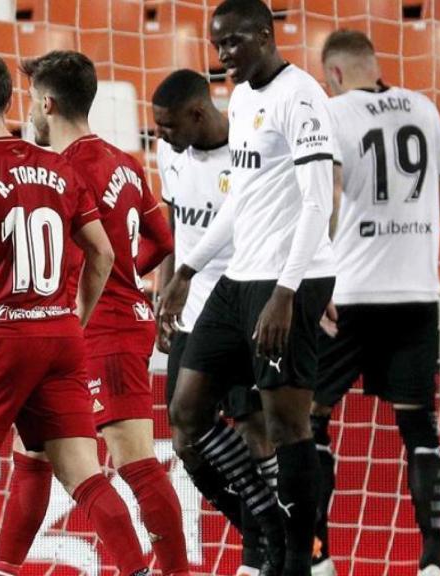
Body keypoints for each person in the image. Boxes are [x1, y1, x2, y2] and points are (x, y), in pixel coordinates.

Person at [0, 51, 148, 576]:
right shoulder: (57, 166)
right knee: (84, 475)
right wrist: (74, 322)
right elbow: (103, 253)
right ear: (11, 101)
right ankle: (139, 570)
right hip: (59, 335)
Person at [157, 0, 338, 574]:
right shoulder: (239, 98)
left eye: (234, 42)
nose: (224, 55)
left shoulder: (301, 95)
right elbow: (241, 199)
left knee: (286, 425)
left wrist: (287, 291)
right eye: (217, 45)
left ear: (265, 35)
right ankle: (264, 524)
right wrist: (188, 268)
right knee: (187, 413)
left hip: (289, 279)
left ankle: (298, 560)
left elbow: (317, 200)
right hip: (238, 280)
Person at [0, 50, 186, 576]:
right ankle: (2, 568)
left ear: (47, 103)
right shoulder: (125, 162)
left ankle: (169, 572)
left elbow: (71, 260)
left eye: (31, 100)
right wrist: (128, 272)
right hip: (98, 325)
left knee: (134, 461)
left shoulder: (60, 172)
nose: (28, 111)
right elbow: (162, 241)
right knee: (33, 454)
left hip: (101, 329)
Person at [310, 30, 440, 576]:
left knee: (312, 419)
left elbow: (328, 197)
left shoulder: (335, 112)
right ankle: (434, 562)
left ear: (337, 74)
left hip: (349, 295)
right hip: (416, 293)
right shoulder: (425, 108)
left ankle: (320, 557)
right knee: (420, 428)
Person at [152, 68, 273, 576]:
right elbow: (175, 222)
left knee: (254, 431)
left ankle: (256, 557)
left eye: (169, 127)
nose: (162, 138)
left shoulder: (248, 154)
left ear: (198, 113)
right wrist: (163, 290)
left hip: (242, 308)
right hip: (191, 311)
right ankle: (267, 532)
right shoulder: (169, 156)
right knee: (185, 435)